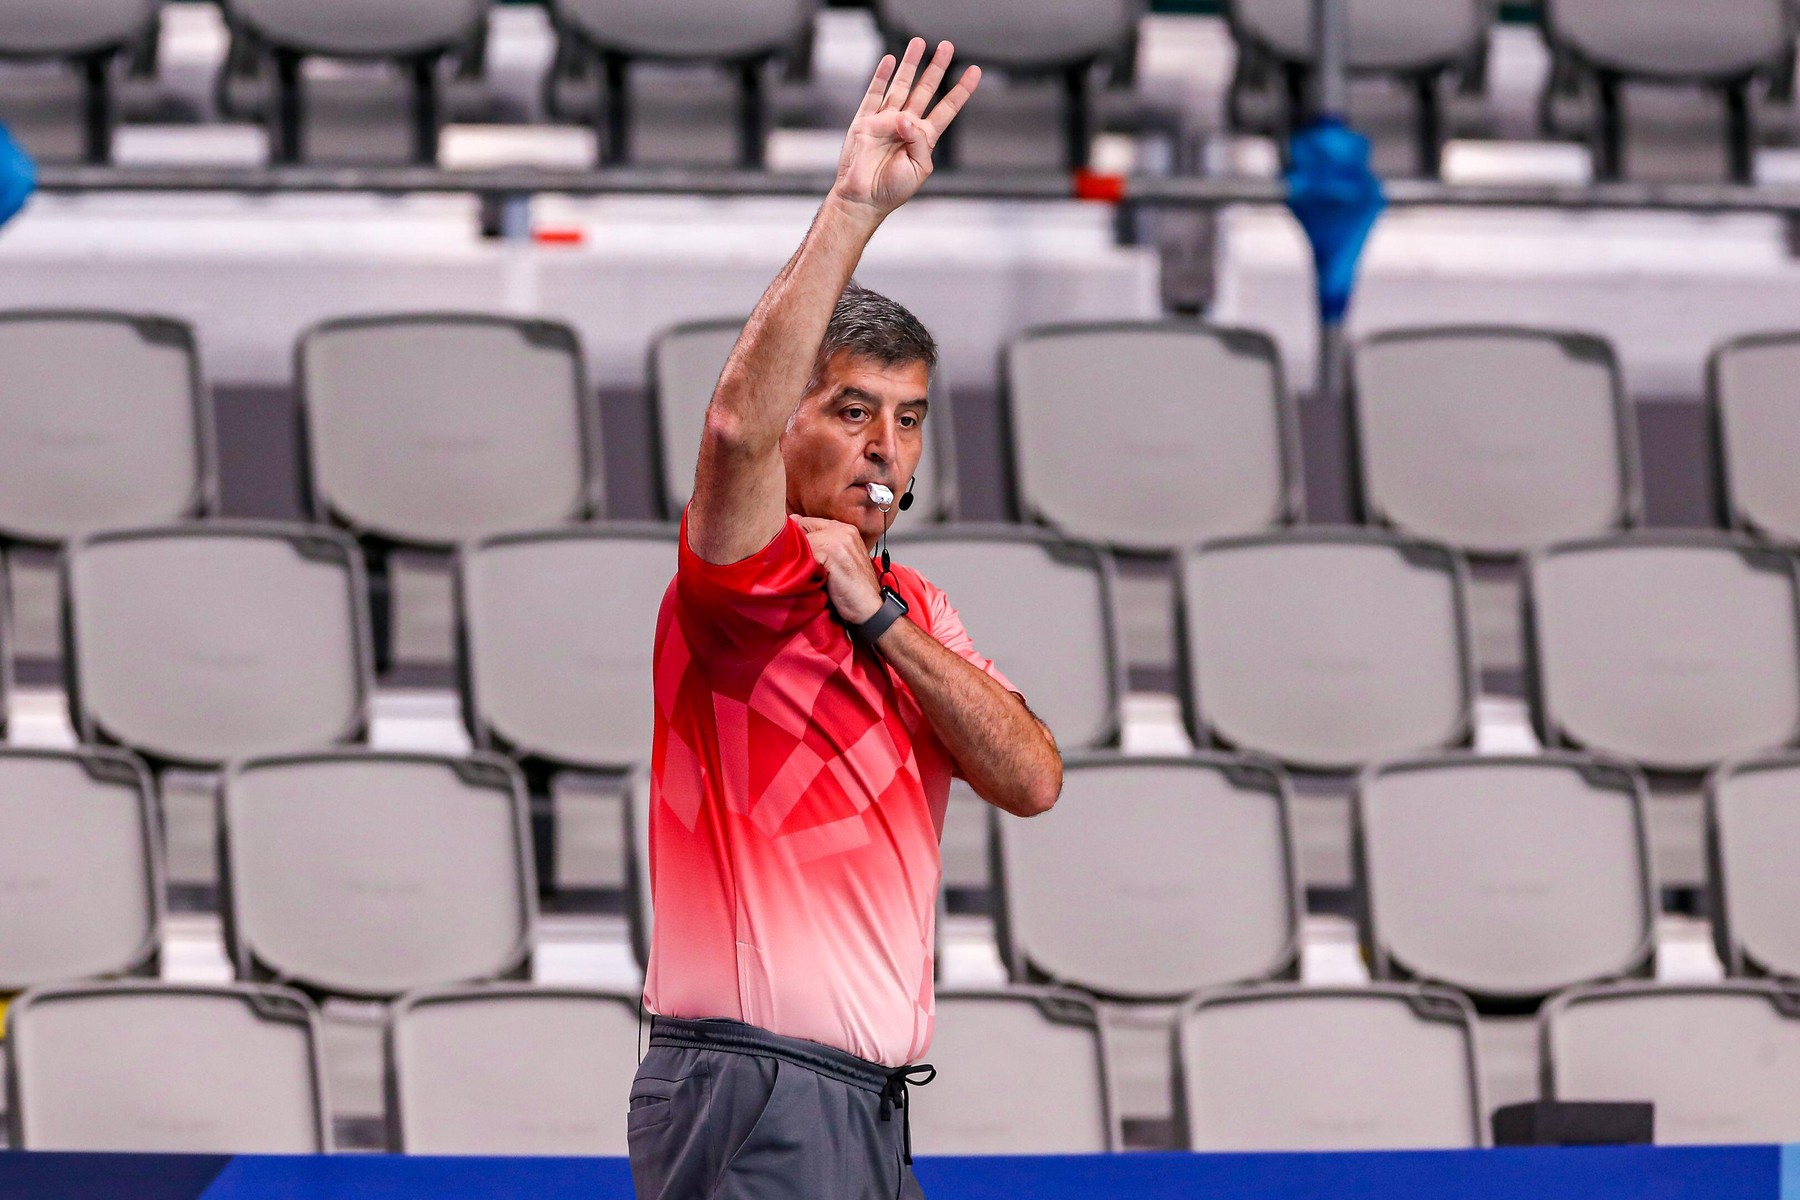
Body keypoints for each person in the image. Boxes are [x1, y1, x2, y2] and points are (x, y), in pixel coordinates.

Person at [630, 37, 1064, 1200]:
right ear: (797, 421)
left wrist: (881, 622)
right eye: (854, 410)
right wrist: (853, 207)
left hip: (860, 1102)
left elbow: (1030, 778)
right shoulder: (742, 584)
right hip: (752, 1087)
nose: (886, 449)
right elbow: (731, 432)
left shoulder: (914, 607)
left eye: (910, 419)